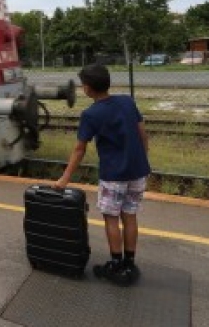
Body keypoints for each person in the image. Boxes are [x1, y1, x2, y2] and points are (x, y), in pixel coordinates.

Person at [55, 63, 150, 286]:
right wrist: (144, 159)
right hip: (138, 172)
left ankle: (116, 265)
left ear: (87, 88)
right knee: (130, 216)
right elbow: (142, 133)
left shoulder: (91, 114)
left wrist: (65, 178)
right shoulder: (127, 101)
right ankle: (130, 263)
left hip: (114, 176)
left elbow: (80, 149)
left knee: (111, 218)